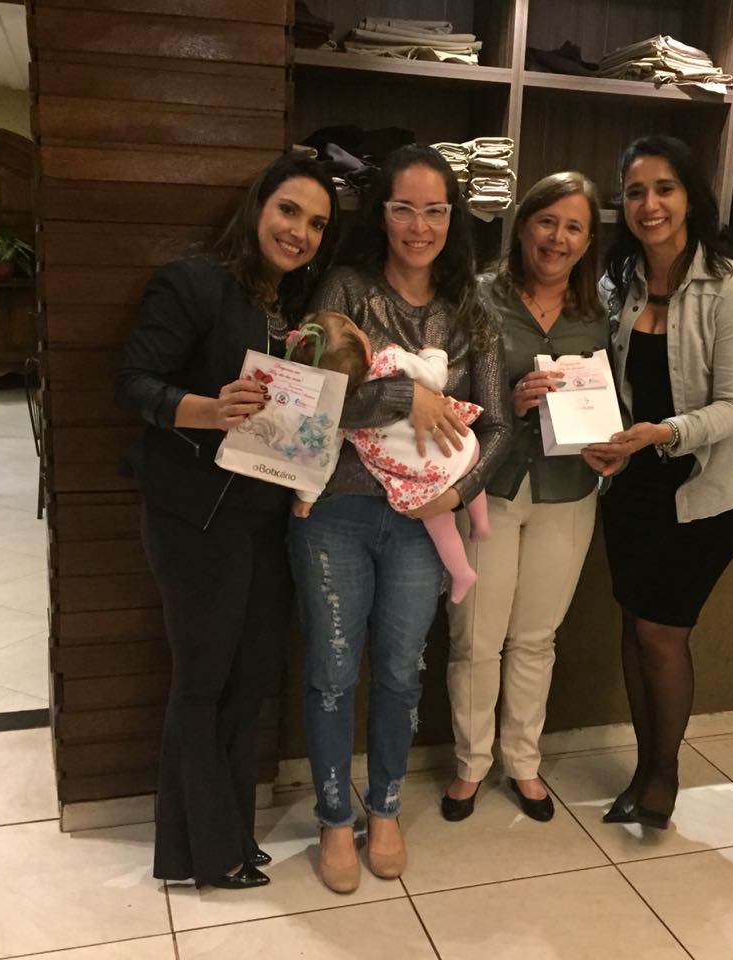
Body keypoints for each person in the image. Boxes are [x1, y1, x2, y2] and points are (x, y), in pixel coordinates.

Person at [114, 153, 339, 890]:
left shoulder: (294, 314)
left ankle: (232, 829)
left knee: (250, 678)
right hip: (195, 515)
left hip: (266, 519)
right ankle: (203, 854)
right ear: (257, 207)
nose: (299, 232)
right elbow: (133, 382)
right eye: (288, 210)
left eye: (316, 223)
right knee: (204, 678)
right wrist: (209, 411)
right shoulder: (193, 282)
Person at [289, 144, 509, 893]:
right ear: (380, 214)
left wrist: (455, 493)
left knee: (398, 672)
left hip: (423, 522)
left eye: (435, 210)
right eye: (404, 208)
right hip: (335, 511)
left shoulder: (470, 309)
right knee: (330, 672)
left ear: (454, 217)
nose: (420, 226)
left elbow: (499, 427)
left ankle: (383, 808)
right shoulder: (345, 287)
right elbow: (311, 396)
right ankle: (332, 816)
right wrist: (402, 396)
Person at [582, 136, 733, 830]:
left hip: (708, 491)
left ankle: (664, 775)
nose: (649, 204)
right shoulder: (617, 284)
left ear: (691, 196)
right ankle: (643, 767)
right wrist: (605, 435)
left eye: (664, 188)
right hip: (633, 487)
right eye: (635, 191)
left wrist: (662, 433)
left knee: (662, 632)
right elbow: (606, 381)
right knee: (635, 626)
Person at [440, 171, 606, 823]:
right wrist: (503, 406)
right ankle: (470, 764)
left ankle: (523, 763)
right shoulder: (479, 298)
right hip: (492, 490)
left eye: (574, 227)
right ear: (523, 224)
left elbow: (613, 401)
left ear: (588, 241)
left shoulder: (597, 314)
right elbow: (450, 395)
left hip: (569, 491)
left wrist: (611, 441)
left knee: (536, 637)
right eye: (547, 221)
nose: (557, 238)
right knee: (476, 637)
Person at [288, 312, 492, 603]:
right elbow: (436, 378)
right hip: (455, 445)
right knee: (467, 461)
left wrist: (307, 494)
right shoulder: (391, 360)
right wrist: (433, 353)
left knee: (438, 521)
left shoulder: (338, 409)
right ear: (364, 346)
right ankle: (480, 522)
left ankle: (461, 572)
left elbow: (324, 453)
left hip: (420, 477)